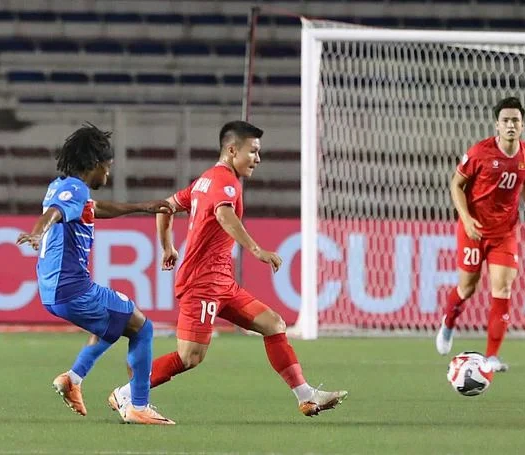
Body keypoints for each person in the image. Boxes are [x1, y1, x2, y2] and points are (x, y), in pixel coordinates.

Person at [108, 120, 348, 417]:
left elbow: (165, 207)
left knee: (273, 324)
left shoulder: (205, 180)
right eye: (253, 151)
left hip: (222, 283)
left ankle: (306, 395)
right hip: (203, 284)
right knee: (190, 357)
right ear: (232, 150)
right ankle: (126, 394)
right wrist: (257, 250)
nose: (258, 158)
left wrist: (168, 246)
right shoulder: (226, 182)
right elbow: (224, 215)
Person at [16, 123, 175, 425]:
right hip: (72, 290)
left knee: (114, 322)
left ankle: (73, 379)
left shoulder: (63, 186)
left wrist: (143, 207)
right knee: (142, 328)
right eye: (107, 167)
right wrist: (37, 232)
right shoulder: (75, 189)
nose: (108, 174)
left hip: (54, 292)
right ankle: (138, 405)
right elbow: (53, 213)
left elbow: (95, 208)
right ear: (94, 164)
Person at [435, 97, 525, 372]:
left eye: (515, 120)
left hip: (505, 233)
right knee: (467, 288)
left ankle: (492, 356)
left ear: (523, 124)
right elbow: (456, 184)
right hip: (474, 229)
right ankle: (449, 321)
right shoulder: (480, 153)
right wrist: (466, 219)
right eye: (505, 120)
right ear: (497, 125)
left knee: (503, 288)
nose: (511, 125)